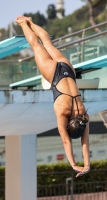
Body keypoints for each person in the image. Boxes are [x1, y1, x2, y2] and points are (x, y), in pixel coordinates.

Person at [15, 16, 90, 177]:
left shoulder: (84, 115)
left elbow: (85, 142)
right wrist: (73, 164)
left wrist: (87, 164)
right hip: (54, 75)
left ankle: (31, 22)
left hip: (69, 71)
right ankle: (23, 24)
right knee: (36, 46)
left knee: (48, 43)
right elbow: (65, 141)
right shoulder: (63, 113)